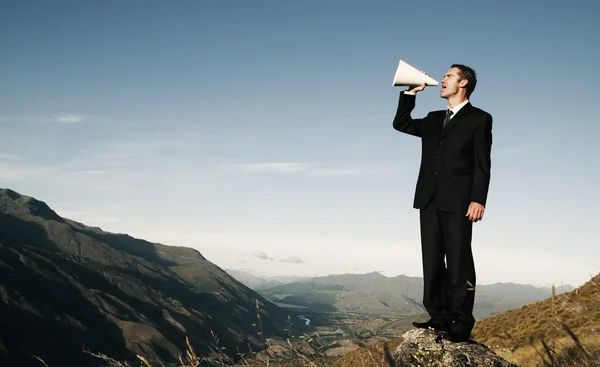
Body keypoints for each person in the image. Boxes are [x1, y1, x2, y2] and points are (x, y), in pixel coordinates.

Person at [392, 64, 492, 342]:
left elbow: (483, 163)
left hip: (460, 201)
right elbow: (401, 123)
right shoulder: (434, 118)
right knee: (432, 260)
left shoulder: (479, 119)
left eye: (449, 76)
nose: (443, 79)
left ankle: (460, 322)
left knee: (459, 261)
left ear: (464, 83)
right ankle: (438, 316)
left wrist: (478, 199)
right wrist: (410, 93)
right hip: (428, 199)